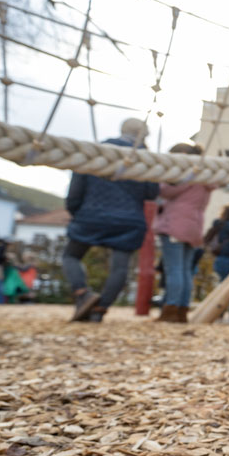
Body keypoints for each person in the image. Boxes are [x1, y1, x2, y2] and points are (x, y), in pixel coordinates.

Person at [64, 119, 159, 322]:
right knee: (120, 267)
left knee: (71, 255)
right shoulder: (146, 159)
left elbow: (76, 188)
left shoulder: (96, 151)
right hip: (129, 219)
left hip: (91, 214)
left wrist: (76, 211)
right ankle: (100, 309)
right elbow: (152, 193)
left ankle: (82, 294)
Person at [154, 143, 214, 323]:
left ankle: (170, 309)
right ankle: (181, 310)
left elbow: (164, 190)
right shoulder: (205, 178)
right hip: (194, 226)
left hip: (175, 224)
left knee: (173, 269)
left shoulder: (185, 175)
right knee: (186, 270)